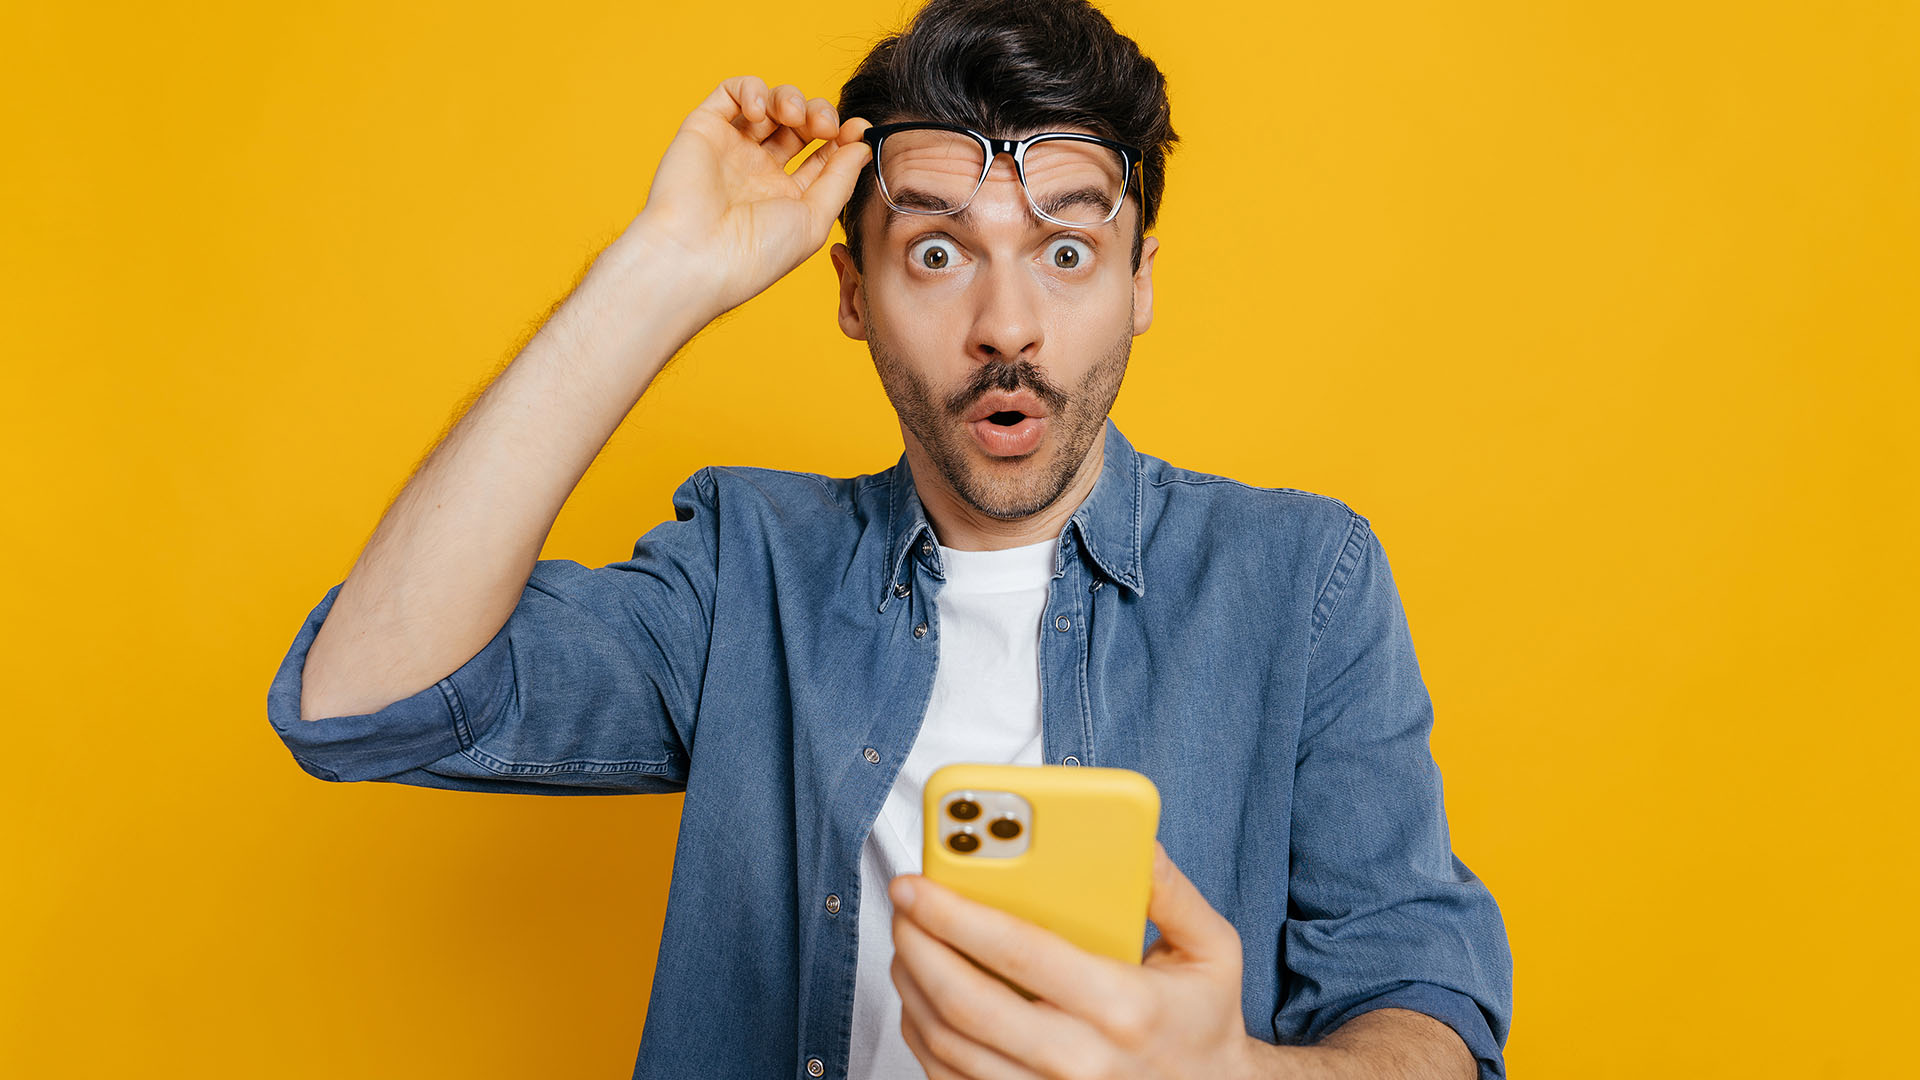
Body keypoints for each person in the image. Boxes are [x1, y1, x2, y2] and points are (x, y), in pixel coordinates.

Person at [264, 0, 1514, 1076]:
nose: (1006, 324)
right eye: (934, 250)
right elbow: (367, 695)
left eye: (1068, 251)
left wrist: (1228, 1071)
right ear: (854, 292)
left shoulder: (1303, 582)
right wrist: (660, 271)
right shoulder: (744, 571)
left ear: (1140, 280)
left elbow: (1432, 1019)